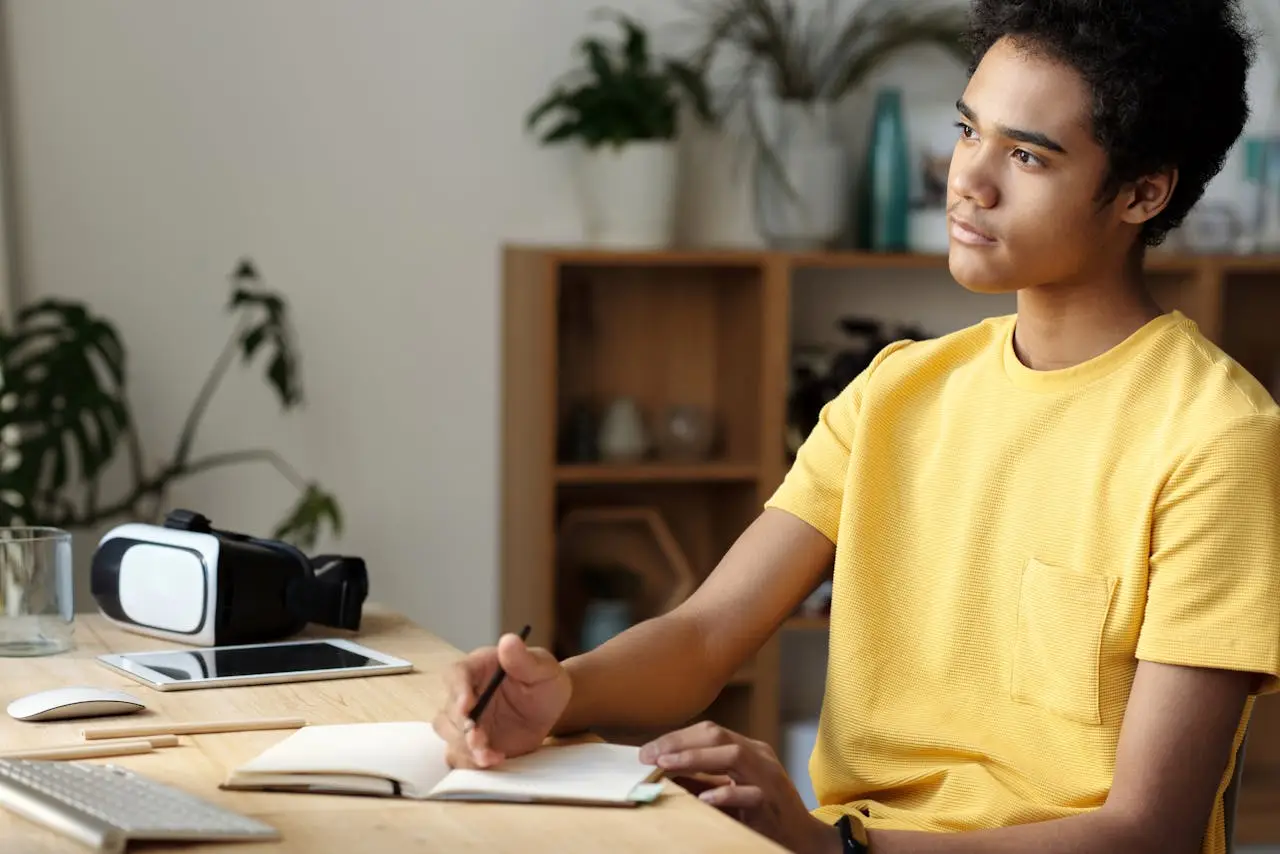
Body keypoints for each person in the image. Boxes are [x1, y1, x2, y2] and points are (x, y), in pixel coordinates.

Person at [435, 1, 1280, 851]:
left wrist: (836, 846)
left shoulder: (1216, 438)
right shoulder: (895, 392)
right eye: (967, 131)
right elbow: (702, 636)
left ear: (1143, 191)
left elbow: (1150, 831)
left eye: (1026, 154)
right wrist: (561, 693)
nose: (967, 181)